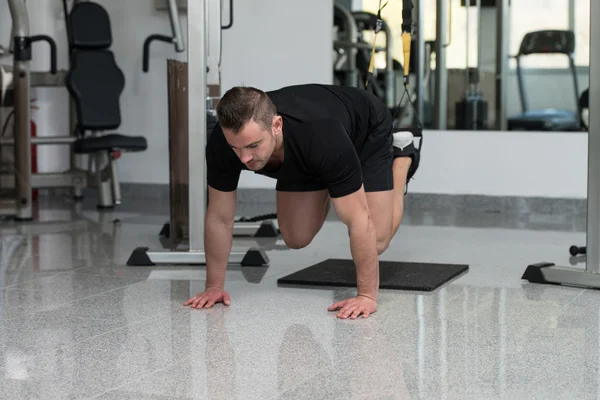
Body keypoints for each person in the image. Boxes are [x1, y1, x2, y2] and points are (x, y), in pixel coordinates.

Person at [184, 83, 421, 319]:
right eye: (236, 148)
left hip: (365, 131)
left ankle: (403, 157)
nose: (244, 158)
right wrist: (214, 286)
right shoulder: (222, 143)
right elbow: (219, 217)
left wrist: (367, 296)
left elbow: (359, 219)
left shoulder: (322, 137)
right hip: (317, 150)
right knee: (296, 238)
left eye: (253, 146)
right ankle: (334, 172)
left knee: (377, 240)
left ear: (276, 125)